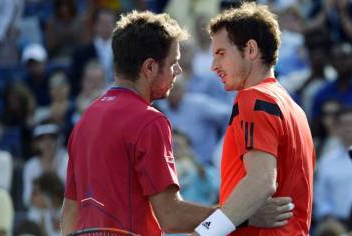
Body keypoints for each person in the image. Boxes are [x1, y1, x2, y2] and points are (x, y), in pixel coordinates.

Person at [61, 10, 293, 236]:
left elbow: (70, 214)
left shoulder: (85, 120)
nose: (178, 71)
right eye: (173, 63)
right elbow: (171, 217)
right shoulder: (149, 120)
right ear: (150, 67)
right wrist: (240, 217)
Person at [203, 2, 315, 235]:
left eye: (221, 54)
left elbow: (262, 181)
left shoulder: (252, 98)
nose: (214, 66)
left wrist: (205, 232)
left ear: (251, 50)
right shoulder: (295, 109)